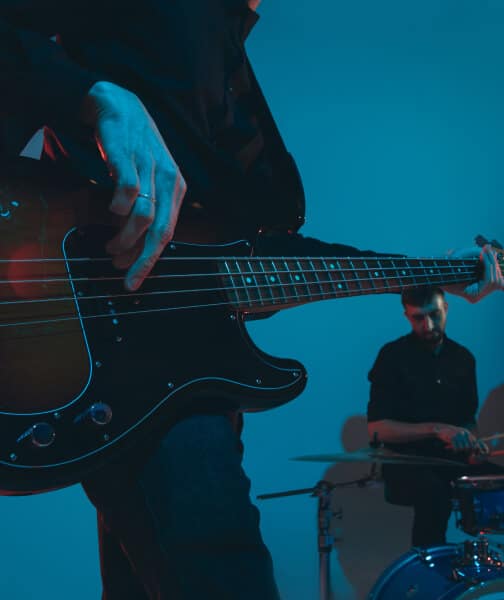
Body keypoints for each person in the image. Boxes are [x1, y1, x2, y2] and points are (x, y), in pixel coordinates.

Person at [0, 1, 502, 597]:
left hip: (166, 382)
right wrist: (98, 96)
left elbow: (256, 254)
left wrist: (441, 272)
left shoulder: (228, 50)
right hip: (111, 346)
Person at [367, 286, 500, 548]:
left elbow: (467, 421)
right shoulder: (392, 356)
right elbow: (377, 428)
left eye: (434, 315)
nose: (428, 325)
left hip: (452, 460)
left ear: (446, 309)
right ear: (407, 316)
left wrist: (472, 445)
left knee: (495, 481)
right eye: (418, 318)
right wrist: (436, 429)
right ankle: (429, 564)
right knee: (434, 495)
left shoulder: (463, 358)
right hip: (406, 463)